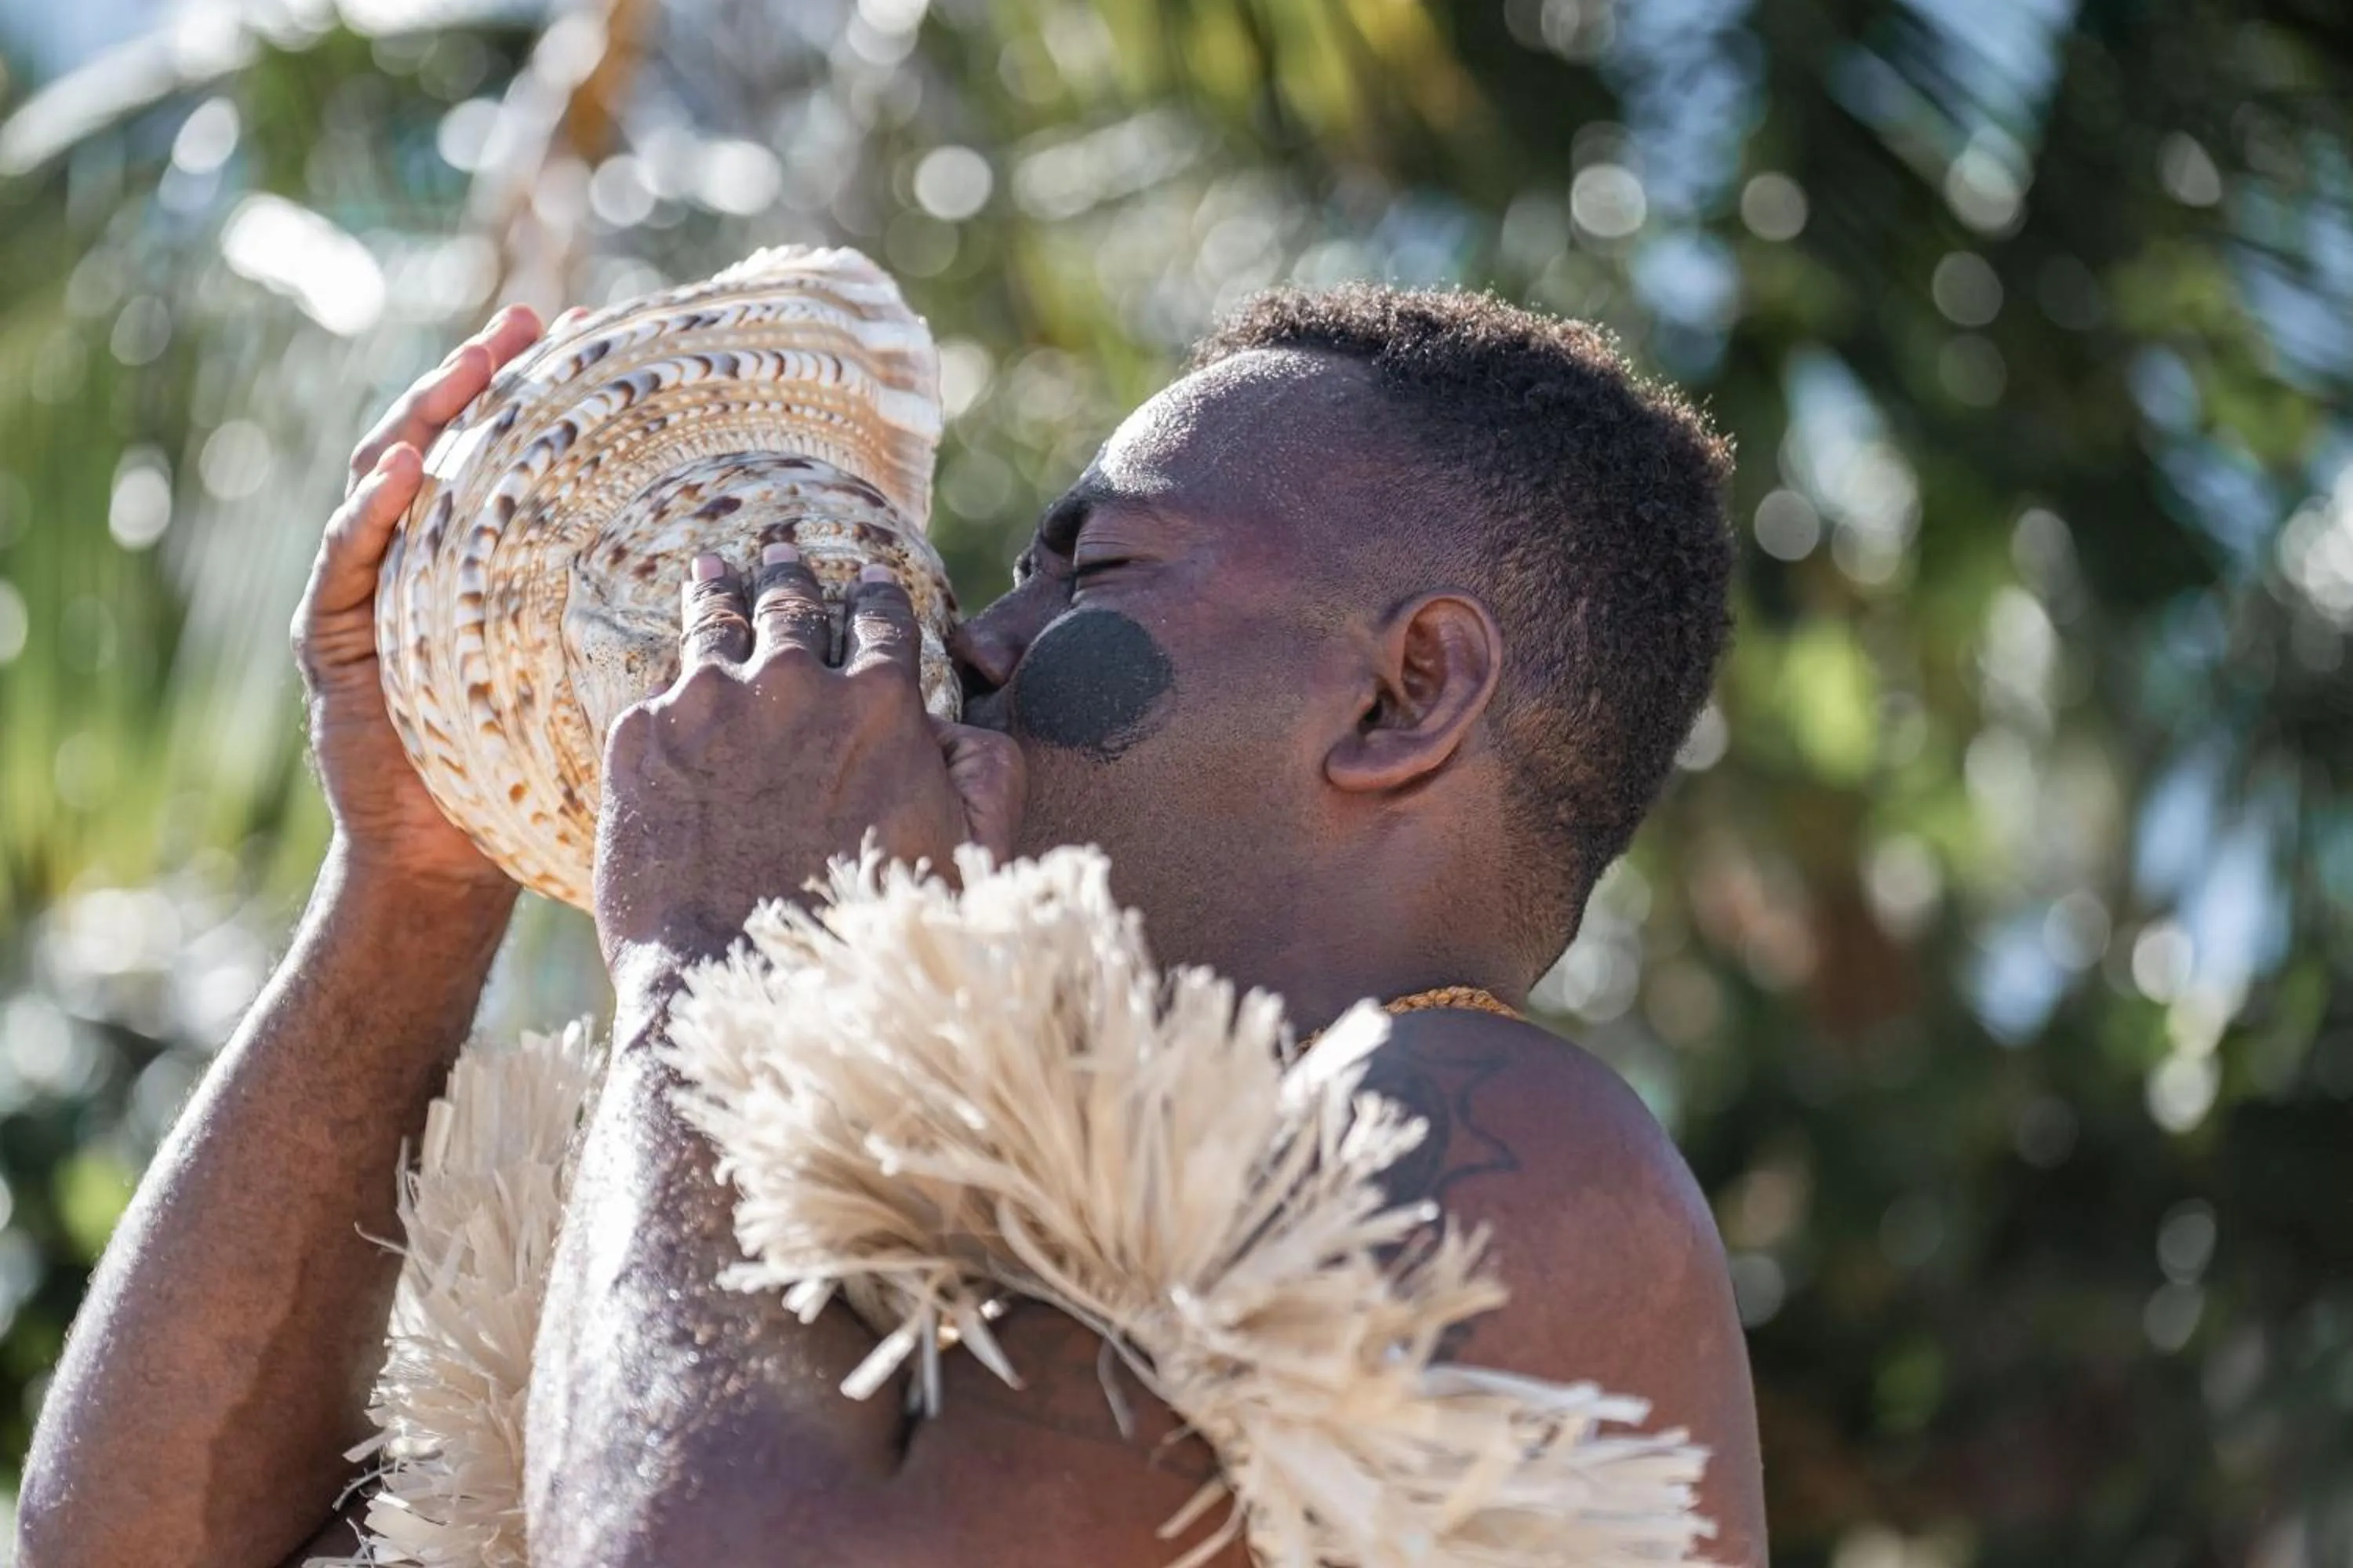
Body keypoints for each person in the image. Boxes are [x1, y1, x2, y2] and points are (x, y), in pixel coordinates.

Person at [20, 283, 1765, 1568]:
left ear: (1406, 693)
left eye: (1096, 570)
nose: (976, 635)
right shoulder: (851, 1180)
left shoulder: (1508, 1150)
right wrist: (413, 875)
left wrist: (717, 946)